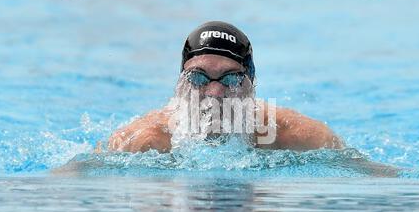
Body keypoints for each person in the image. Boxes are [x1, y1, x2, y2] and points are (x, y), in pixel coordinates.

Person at [107, 21, 344, 153]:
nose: (214, 92)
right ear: (181, 84)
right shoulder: (140, 141)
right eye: (198, 78)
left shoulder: (300, 136)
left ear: (252, 84)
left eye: (230, 79)